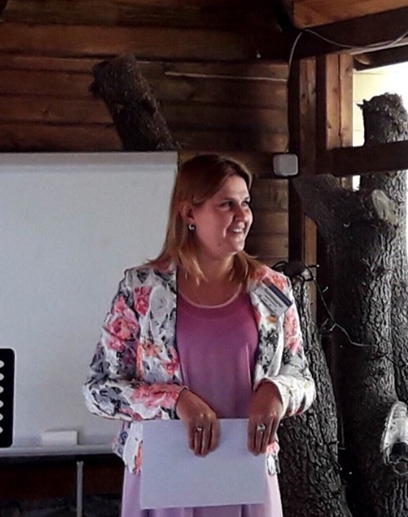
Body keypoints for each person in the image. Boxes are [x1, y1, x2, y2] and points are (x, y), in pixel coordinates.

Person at [83, 154, 316, 517]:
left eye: (245, 203)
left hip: (245, 476)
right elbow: (99, 391)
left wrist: (277, 392)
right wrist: (175, 401)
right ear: (189, 213)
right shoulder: (141, 290)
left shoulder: (272, 288)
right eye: (226, 204)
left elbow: (301, 378)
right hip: (164, 481)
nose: (242, 215)